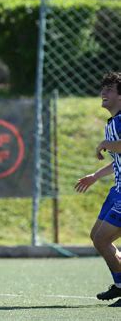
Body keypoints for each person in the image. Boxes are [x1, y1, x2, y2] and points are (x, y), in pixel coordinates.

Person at [75, 71, 121, 308]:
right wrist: (96, 175)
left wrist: (106, 144)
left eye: (109, 90)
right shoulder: (114, 122)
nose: (103, 93)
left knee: (103, 239)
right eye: (103, 89)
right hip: (118, 190)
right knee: (97, 237)